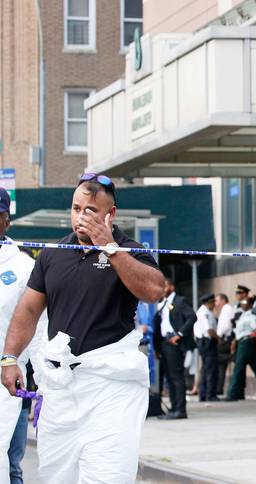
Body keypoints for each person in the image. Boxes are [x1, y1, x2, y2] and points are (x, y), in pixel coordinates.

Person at [1, 173, 164, 484]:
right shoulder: (52, 254)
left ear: (110, 214)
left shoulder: (130, 250)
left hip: (111, 386)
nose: (81, 217)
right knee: (56, 475)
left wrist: (111, 249)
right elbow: (29, 310)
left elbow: (154, 290)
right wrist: (10, 357)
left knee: (107, 475)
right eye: (76, 208)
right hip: (60, 386)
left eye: (90, 210)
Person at [0, 188, 47, 484]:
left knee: (9, 462)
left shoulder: (23, 267)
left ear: (6, 220)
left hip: (7, 383)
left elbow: (40, 328)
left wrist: (45, 384)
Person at [153, 278, 197, 419]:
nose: (162, 289)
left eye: (164, 286)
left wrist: (179, 334)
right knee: (170, 378)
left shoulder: (180, 301)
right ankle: (174, 408)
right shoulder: (164, 303)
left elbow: (192, 317)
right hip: (164, 344)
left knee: (176, 377)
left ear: (171, 286)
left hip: (174, 343)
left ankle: (181, 410)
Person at [226, 297, 256, 401]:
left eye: (245, 302)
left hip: (247, 343)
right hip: (242, 342)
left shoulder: (252, 314)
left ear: (251, 304)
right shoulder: (243, 314)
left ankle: (232, 394)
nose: (242, 304)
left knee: (238, 368)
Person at [195, 293, 219, 402]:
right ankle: (210, 395)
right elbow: (209, 330)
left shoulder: (207, 312)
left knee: (206, 369)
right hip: (207, 342)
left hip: (206, 342)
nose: (214, 304)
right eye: (213, 302)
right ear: (207, 302)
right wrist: (219, 338)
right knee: (210, 370)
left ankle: (204, 394)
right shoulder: (203, 312)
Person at [215, 293, 235, 395]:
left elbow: (225, 325)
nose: (216, 303)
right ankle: (219, 388)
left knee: (220, 363)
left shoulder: (227, 309)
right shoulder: (226, 309)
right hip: (224, 339)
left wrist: (218, 335)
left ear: (223, 300)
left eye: (217, 301)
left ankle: (219, 388)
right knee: (221, 366)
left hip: (224, 340)